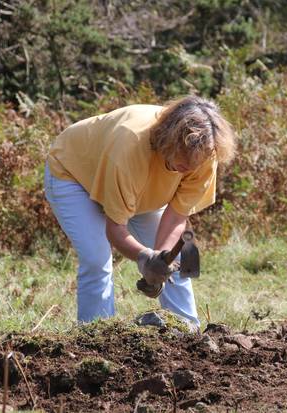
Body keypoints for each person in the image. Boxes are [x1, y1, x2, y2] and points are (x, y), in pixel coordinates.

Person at [44, 96, 235, 327]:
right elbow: (115, 229)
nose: (190, 168)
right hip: (74, 173)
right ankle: (95, 340)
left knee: (178, 258)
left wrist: (161, 261)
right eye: (184, 159)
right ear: (170, 140)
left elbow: (176, 216)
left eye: (196, 162)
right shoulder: (130, 146)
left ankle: (187, 332)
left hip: (137, 190)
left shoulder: (204, 154)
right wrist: (145, 258)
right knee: (97, 258)